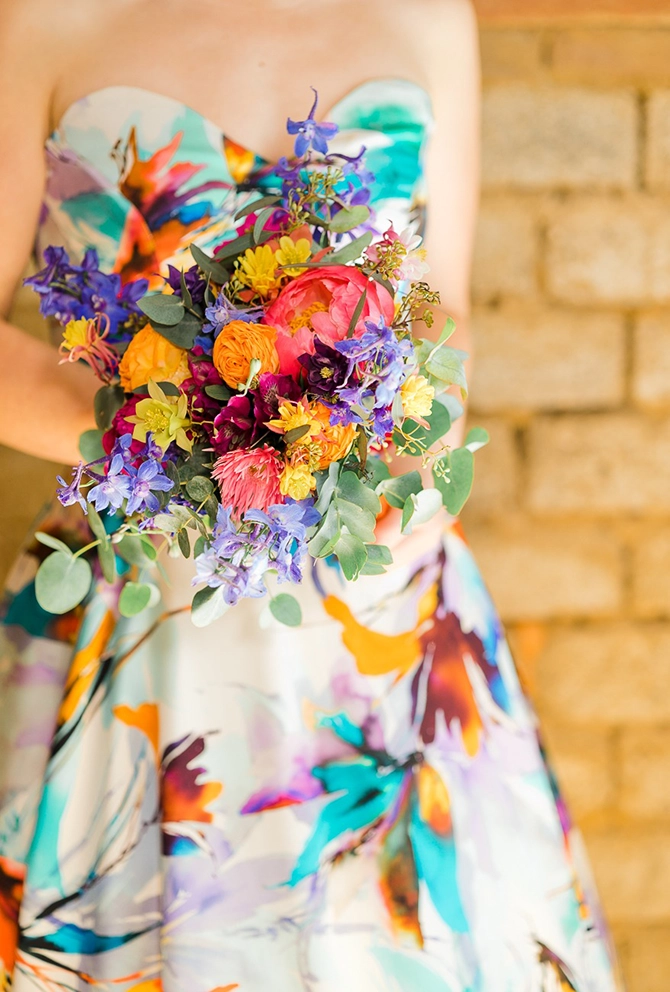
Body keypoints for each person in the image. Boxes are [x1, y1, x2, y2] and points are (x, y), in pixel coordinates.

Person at [0, 1, 621, 989]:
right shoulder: (40, 17)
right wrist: (173, 437)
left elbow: (442, 315)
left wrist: (408, 467)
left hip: (380, 619)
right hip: (140, 601)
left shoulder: (427, 16)